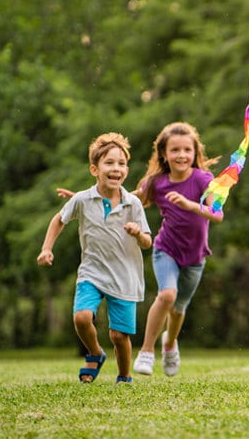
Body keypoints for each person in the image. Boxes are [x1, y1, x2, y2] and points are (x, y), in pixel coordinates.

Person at [60, 122, 223, 378]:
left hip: (195, 255)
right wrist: (88, 198)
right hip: (165, 248)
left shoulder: (205, 179)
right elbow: (128, 197)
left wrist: (190, 205)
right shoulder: (156, 182)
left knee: (178, 309)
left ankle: (169, 344)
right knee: (167, 295)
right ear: (164, 154)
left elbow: (217, 214)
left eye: (187, 150)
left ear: (195, 152)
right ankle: (147, 351)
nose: (181, 155)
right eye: (175, 149)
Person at [39, 132, 153, 384]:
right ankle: (94, 352)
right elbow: (59, 219)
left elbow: (148, 242)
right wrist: (47, 248)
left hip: (125, 276)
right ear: (94, 169)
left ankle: (124, 376)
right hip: (92, 272)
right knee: (81, 317)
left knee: (119, 336)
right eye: (109, 163)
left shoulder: (132, 203)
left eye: (121, 164)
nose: (116, 168)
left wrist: (137, 234)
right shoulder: (82, 199)